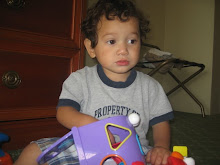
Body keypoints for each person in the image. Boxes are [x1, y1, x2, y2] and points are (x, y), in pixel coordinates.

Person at [14, 0, 174, 165]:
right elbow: (63, 112)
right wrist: (90, 124)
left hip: (133, 150)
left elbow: (161, 123)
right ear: (91, 48)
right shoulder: (80, 80)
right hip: (86, 146)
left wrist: (161, 147)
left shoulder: (151, 87)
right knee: (34, 150)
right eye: (112, 41)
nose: (123, 50)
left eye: (132, 41)